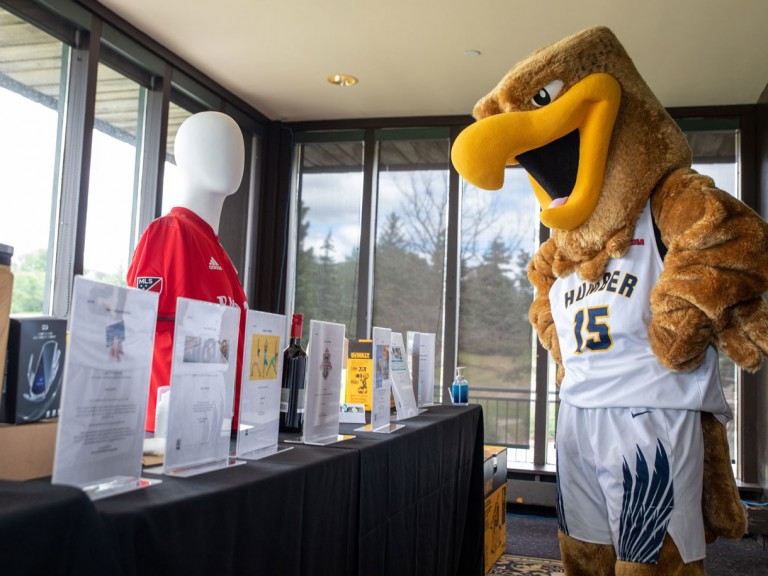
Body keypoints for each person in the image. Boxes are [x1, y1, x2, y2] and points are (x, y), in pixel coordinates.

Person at [127, 111, 248, 433]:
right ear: (186, 157)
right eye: (215, 145)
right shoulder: (170, 234)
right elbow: (148, 338)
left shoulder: (219, 252)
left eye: (237, 148)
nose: (231, 157)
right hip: (173, 437)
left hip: (218, 430)